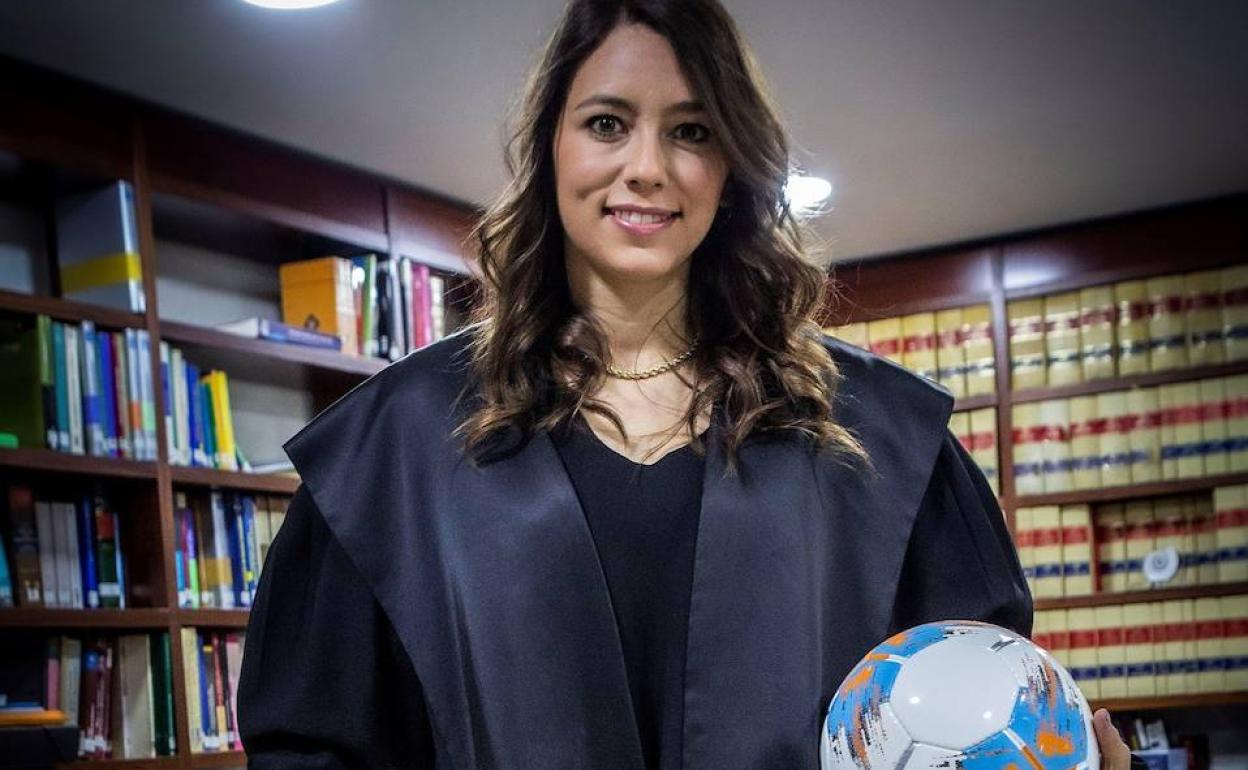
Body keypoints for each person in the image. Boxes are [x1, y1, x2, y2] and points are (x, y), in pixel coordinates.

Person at [237, 0, 1135, 767]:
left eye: (691, 131)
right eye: (606, 123)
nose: (647, 167)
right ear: (549, 147)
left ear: (732, 167)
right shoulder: (397, 446)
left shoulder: (881, 438)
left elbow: (984, 718)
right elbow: (316, 746)